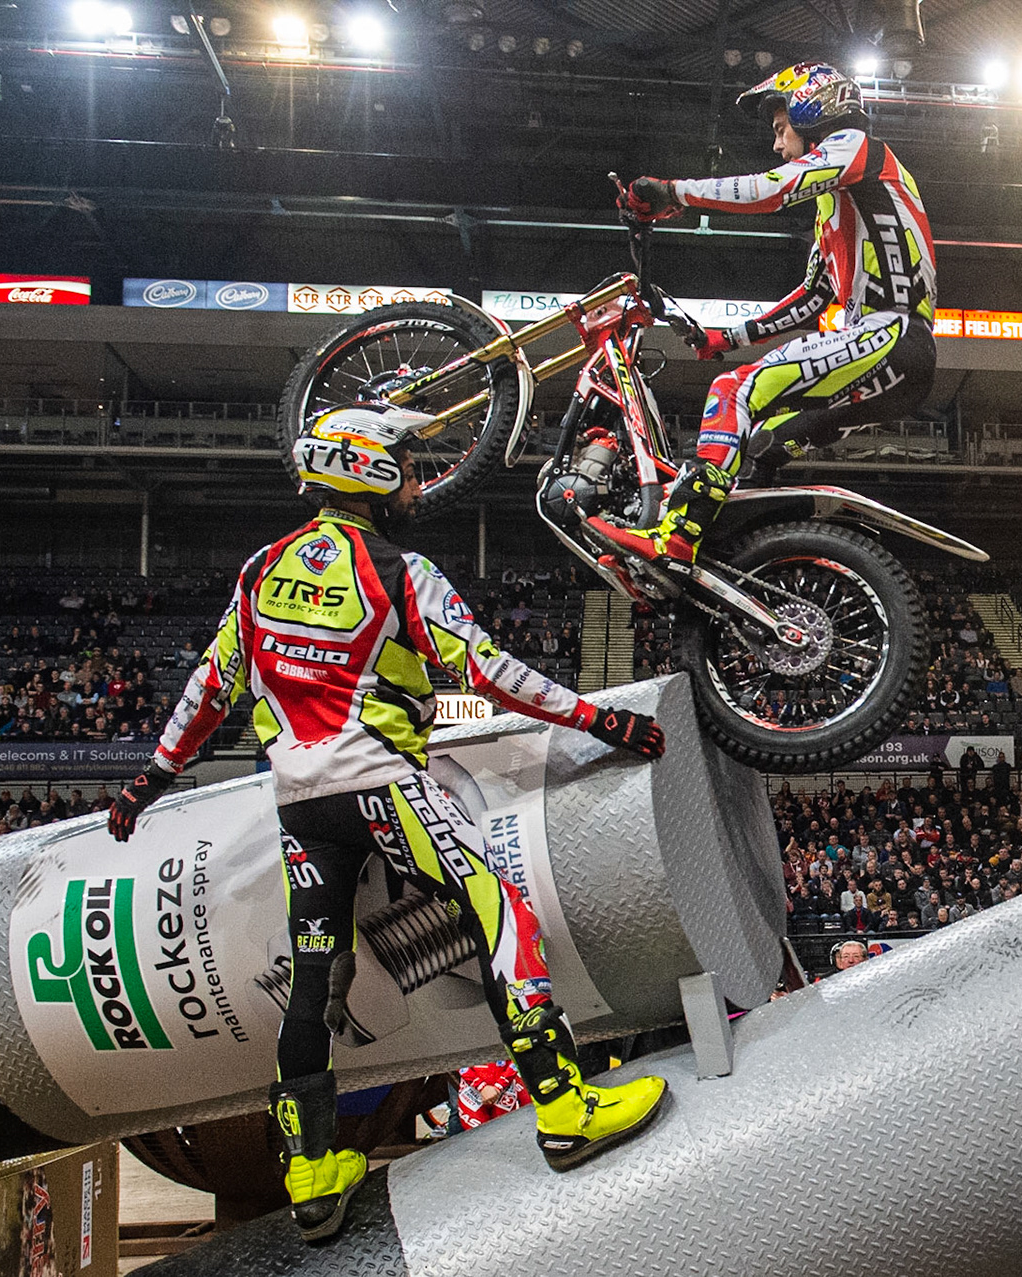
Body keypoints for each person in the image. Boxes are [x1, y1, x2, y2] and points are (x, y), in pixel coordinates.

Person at [106, 404, 671, 1243]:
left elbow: (210, 685)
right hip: (382, 782)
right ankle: (562, 1104)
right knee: (499, 911)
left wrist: (149, 780)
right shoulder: (400, 569)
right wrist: (600, 719)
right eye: (406, 471)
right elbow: (489, 670)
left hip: (299, 803)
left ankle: (311, 1171)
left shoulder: (261, 569)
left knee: (314, 976)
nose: (416, 486)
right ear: (366, 473)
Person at [595, 62, 937, 564]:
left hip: (890, 333)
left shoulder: (856, 148)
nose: (777, 145)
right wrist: (726, 337)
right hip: (899, 364)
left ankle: (678, 536)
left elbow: (771, 189)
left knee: (733, 390)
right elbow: (814, 297)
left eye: (780, 129)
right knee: (763, 447)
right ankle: (743, 561)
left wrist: (673, 192)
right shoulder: (838, 203)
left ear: (812, 110)